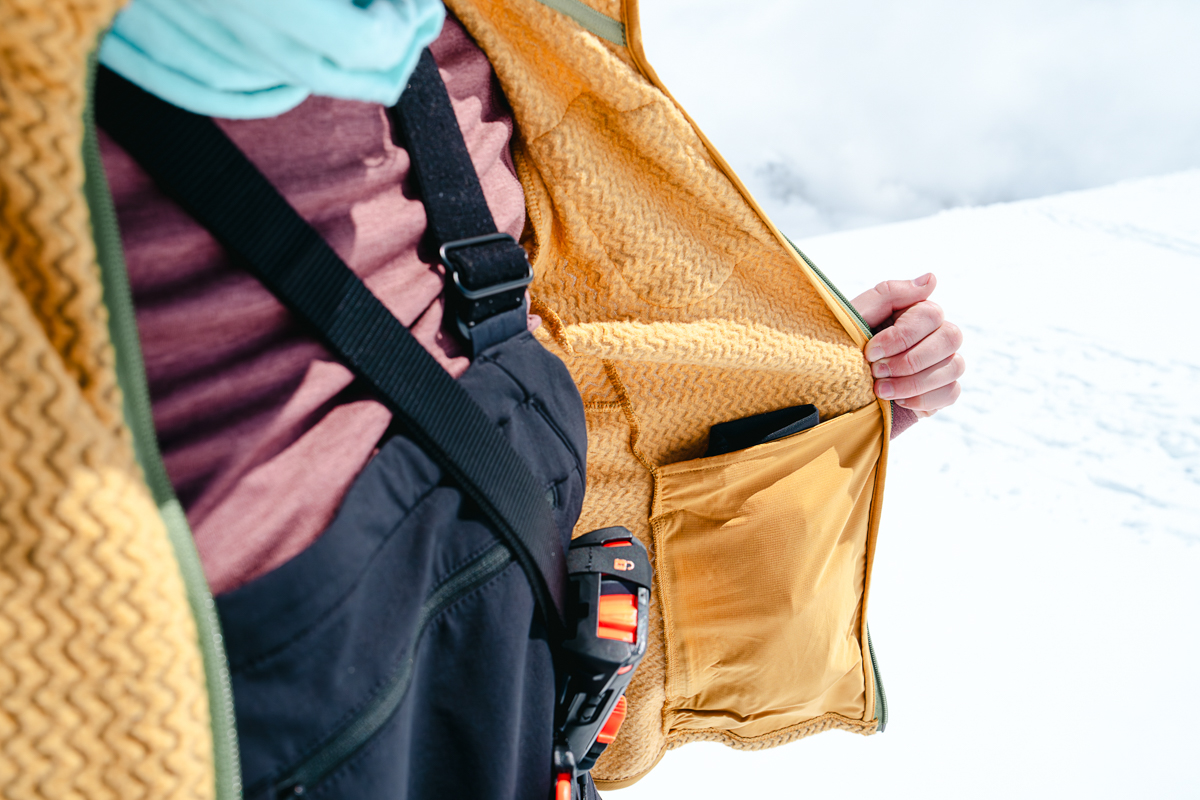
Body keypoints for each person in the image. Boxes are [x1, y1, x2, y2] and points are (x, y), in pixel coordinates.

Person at [0, 1, 963, 798]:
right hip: (190, 716)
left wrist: (804, 377)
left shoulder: (476, 31)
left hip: (486, 675)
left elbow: (550, 360)